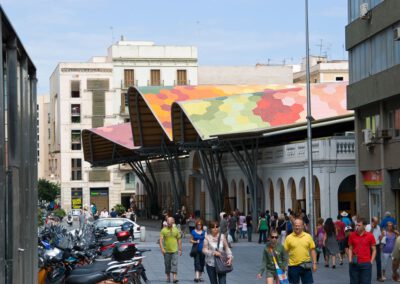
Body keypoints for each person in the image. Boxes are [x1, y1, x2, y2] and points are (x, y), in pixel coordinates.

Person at [284, 218, 317, 283]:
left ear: (302, 226)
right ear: (293, 226)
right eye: (295, 225)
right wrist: (284, 264)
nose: (297, 227)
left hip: (306, 265)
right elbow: (285, 252)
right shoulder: (289, 237)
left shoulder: (308, 236)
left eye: (299, 225)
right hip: (293, 266)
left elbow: (312, 250)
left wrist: (314, 263)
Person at [348, 217, 376, 284]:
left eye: (359, 225)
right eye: (356, 225)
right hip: (354, 263)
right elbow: (350, 248)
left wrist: (371, 262)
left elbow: (374, 250)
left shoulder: (370, 236)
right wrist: (350, 260)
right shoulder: (352, 235)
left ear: (364, 226)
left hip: (366, 264)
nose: (357, 227)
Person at [159, 217, 182, 283]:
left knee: (175, 263)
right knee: (167, 264)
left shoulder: (176, 230)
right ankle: (168, 277)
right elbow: (160, 240)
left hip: (175, 250)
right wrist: (162, 249)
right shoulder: (163, 230)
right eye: (168, 221)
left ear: (173, 222)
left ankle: (174, 278)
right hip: (166, 251)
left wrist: (180, 249)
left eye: (170, 221)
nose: (169, 223)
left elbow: (179, 240)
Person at [366, 216, 383, 281]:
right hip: (369, 246)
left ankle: (379, 277)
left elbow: (379, 236)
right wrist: (372, 229)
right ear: (372, 222)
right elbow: (367, 235)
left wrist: (381, 243)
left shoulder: (378, 227)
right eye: (376, 222)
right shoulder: (368, 226)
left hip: (377, 245)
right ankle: (367, 276)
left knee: (379, 261)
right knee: (368, 261)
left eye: (377, 222)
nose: (377, 223)